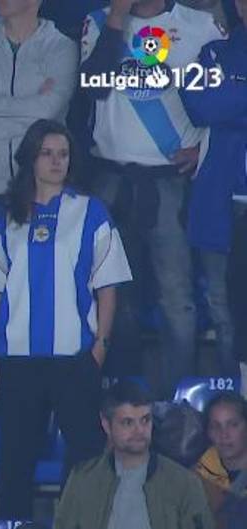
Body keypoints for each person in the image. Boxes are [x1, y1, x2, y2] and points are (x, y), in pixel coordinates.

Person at [0, 119, 132, 519]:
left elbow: (108, 286)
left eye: (63, 153)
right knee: (15, 460)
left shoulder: (90, 211)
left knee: (84, 459)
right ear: (31, 158)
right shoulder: (8, 215)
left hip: (74, 357)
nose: (56, 161)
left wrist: (100, 346)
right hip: (18, 358)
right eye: (47, 152)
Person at [80, 0, 225, 395]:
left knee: (177, 299)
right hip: (112, 178)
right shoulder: (97, 23)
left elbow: (229, 100)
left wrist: (205, 148)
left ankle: (181, 401)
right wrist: (115, 19)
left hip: (171, 181)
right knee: (116, 298)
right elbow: (93, 84)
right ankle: (126, 400)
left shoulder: (199, 26)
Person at [0, 0, 78, 351]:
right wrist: (26, 116)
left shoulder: (61, 48)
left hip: (41, 192)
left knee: (37, 289)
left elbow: (47, 116)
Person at [180, 0, 247, 379]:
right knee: (223, 312)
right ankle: (231, 411)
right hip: (224, 204)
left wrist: (232, 101)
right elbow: (200, 105)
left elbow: (220, 105)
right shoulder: (213, 53)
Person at [54, 381, 215, 529]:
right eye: (128, 422)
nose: (139, 431)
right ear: (106, 425)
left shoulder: (183, 483)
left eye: (145, 420)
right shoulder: (83, 479)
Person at [195, 392, 247, 529]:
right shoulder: (196, 478)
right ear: (208, 432)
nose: (224, 434)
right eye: (215, 426)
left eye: (233, 425)